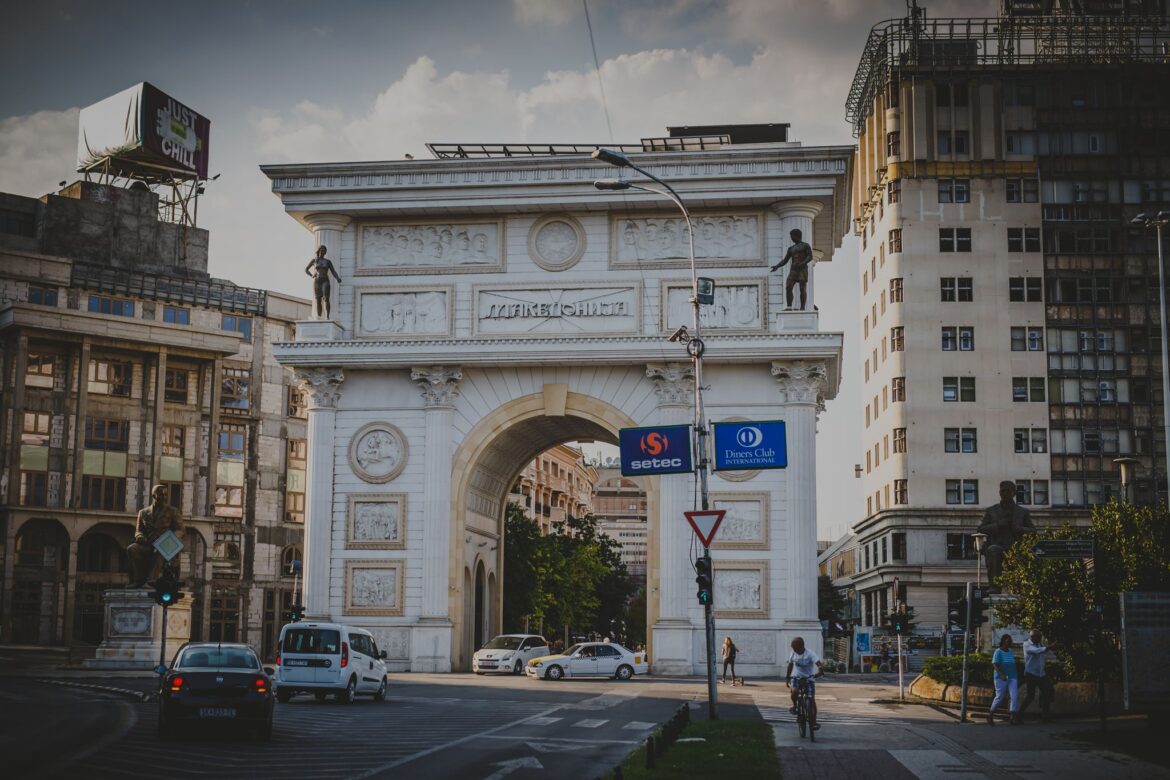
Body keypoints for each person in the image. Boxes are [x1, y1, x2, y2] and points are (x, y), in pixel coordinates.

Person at [977, 480, 1036, 588]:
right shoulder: (991, 510)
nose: (1005, 494)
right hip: (998, 547)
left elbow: (1033, 531)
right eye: (1003, 491)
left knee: (1023, 555)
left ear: (1014, 493)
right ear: (999, 492)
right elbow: (980, 529)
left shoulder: (1023, 512)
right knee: (993, 549)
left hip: (1017, 548)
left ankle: (1020, 587)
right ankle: (994, 587)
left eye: (1008, 491)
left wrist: (1020, 529)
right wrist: (998, 525)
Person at [126, 484, 186, 588]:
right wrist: (140, 536)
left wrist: (171, 540)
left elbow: (180, 529)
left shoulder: (173, 511)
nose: (164, 497)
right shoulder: (143, 512)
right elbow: (138, 530)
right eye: (161, 494)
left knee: (160, 549)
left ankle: (151, 581)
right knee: (132, 549)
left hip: (165, 544)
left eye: (165, 495)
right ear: (154, 495)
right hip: (148, 544)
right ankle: (137, 581)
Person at [769, 228, 814, 311]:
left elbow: (810, 256)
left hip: (802, 268)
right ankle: (789, 307)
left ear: (797, 236)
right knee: (788, 287)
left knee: (802, 288)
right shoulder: (791, 248)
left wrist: (802, 263)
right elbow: (785, 260)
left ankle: (802, 307)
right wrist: (777, 266)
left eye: (792, 236)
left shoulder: (805, 245)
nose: (791, 238)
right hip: (793, 269)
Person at [786, 637, 824, 730]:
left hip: (809, 678)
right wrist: (787, 677)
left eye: (795, 648)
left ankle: (814, 722)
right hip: (796, 677)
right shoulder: (793, 653)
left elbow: (819, 664)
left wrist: (820, 671)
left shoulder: (810, 653)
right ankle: (795, 706)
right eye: (793, 648)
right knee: (794, 692)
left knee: (811, 699)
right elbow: (790, 664)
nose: (794, 650)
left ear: (801, 646)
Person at [1020, 629, 1055, 722]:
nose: (1040, 638)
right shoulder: (1027, 645)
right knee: (1030, 696)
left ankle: (1045, 716)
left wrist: (1049, 647)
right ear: (1033, 637)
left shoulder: (1040, 644)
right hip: (1031, 674)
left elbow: (1044, 652)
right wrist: (1048, 647)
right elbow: (1036, 651)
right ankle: (1018, 714)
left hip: (1041, 674)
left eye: (1041, 636)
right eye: (1039, 637)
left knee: (1046, 693)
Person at [988, 633, 1020, 725]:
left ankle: (1012, 717)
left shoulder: (1010, 651)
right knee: (1000, 697)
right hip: (1000, 677)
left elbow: (1012, 664)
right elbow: (995, 664)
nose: (1009, 642)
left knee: (1014, 697)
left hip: (1013, 677)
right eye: (1007, 640)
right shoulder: (998, 651)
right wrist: (1001, 674)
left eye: (1010, 641)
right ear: (1003, 641)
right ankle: (991, 714)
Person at [304, 245, 342, 319]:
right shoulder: (314, 260)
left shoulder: (327, 261)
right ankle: (319, 316)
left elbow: (333, 271)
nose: (323, 252)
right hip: (317, 281)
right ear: (318, 251)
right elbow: (306, 269)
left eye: (324, 251)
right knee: (318, 299)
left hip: (325, 280)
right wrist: (312, 275)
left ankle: (327, 316)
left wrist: (337, 278)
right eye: (321, 250)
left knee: (326, 298)